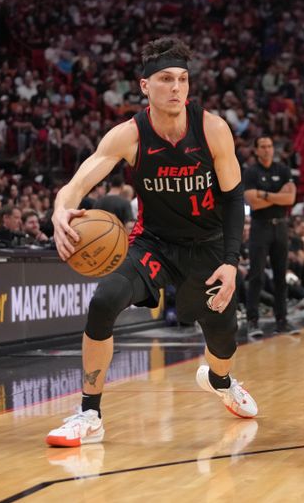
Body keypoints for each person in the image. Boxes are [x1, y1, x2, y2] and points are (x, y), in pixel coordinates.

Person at [45, 37, 257, 448]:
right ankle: (90, 412)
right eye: (165, 79)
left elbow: (233, 199)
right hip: (153, 243)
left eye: (182, 79)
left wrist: (231, 261)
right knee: (104, 300)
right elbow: (77, 184)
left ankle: (220, 380)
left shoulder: (212, 129)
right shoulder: (129, 135)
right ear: (145, 86)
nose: (176, 88)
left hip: (209, 247)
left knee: (222, 341)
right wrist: (59, 210)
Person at [243, 136, 298, 337]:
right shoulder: (251, 172)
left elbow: (290, 198)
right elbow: (253, 202)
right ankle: (252, 321)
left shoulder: (283, 169)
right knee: (256, 275)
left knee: (281, 275)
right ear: (256, 150)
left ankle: (282, 320)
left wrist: (264, 194)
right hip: (260, 227)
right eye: (263, 147)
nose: (267, 150)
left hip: (281, 227)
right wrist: (277, 197)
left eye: (269, 146)